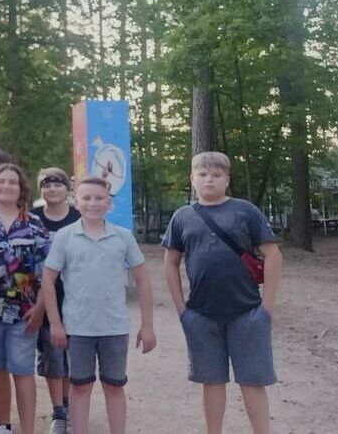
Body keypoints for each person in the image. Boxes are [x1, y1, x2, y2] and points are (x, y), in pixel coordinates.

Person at [162, 152, 282, 434]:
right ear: (192, 179)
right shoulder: (182, 217)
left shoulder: (245, 211)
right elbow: (170, 262)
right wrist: (182, 310)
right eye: (202, 174)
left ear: (227, 180)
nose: (209, 180)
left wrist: (267, 307)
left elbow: (273, 254)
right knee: (212, 381)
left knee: (252, 381)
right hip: (201, 314)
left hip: (248, 311)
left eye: (216, 175)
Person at [42, 177, 156, 434]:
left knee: (114, 386)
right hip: (78, 327)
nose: (92, 203)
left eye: (99, 198)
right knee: (80, 386)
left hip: (114, 327)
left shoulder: (122, 237)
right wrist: (56, 323)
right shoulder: (65, 236)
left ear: (109, 203)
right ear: (76, 202)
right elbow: (48, 279)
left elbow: (142, 279)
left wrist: (147, 325)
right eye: (86, 198)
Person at [0, 163, 49, 434]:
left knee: (23, 372)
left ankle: (28, 430)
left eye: (12, 182)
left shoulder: (34, 223)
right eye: (1, 181)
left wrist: (40, 308)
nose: (6, 186)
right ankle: (3, 426)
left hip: (25, 311)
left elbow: (48, 270)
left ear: (21, 188)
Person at [29, 168, 80, 434]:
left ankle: (68, 405)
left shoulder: (78, 217)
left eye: (57, 184)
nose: (52, 189)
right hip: (42, 296)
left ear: (67, 188)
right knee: (52, 357)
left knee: (70, 357)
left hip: (74, 295)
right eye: (46, 185)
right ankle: (58, 411)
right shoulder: (32, 218)